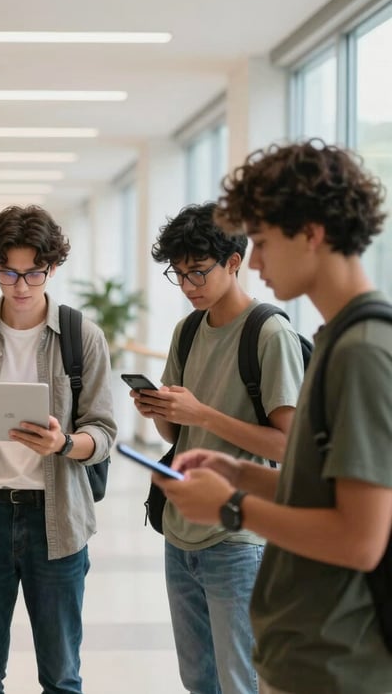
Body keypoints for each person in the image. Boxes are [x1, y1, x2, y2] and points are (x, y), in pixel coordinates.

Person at [155, 140, 392, 694]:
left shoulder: (362, 351)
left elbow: (361, 538)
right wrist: (241, 475)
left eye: (261, 242)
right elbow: (322, 489)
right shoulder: (337, 339)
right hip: (308, 650)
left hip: (338, 663)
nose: (254, 262)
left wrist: (232, 506)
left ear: (310, 232)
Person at [0, 204, 117, 694]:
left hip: (57, 521)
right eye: (9, 272)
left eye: (35, 272)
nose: (22, 285)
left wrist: (65, 442)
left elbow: (104, 432)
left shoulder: (81, 337)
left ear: (52, 268)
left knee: (61, 675)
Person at [131, 202, 304, 693]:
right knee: (198, 679)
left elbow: (290, 446)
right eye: (179, 274)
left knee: (241, 680)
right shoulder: (187, 331)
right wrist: (162, 413)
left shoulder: (269, 333)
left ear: (234, 262)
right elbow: (180, 436)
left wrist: (201, 412)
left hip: (238, 537)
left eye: (198, 272)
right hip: (180, 532)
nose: (188, 286)